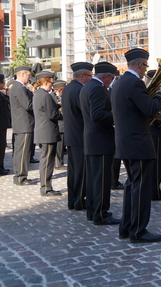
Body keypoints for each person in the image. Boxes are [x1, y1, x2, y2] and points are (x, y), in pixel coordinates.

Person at [112, 48, 161, 243]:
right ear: (140, 65)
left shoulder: (121, 83)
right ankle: (138, 230)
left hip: (127, 142)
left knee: (131, 185)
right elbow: (150, 107)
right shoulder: (134, 83)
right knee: (140, 188)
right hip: (137, 143)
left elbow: (136, 111)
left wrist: (152, 113)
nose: (146, 69)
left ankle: (127, 227)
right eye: (145, 65)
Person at [79, 62, 121, 225]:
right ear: (106, 77)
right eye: (111, 78)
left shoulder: (88, 86)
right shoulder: (97, 88)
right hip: (100, 140)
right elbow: (97, 114)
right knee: (101, 180)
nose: (111, 82)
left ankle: (93, 211)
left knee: (94, 180)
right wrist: (117, 115)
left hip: (93, 140)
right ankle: (101, 213)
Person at [61, 62, 93, 209]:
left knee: (74, 172)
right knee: (81, 172)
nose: (91, 78)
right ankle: (79, 201)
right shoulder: (80, 90)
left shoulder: (68, 88)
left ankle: (73, 201)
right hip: (80, 136)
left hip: (72, 135)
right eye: (89, 76)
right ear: (82, 76)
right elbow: (85, 113)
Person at [32, 71, 63, 196]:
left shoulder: (39, 94)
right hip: (47, 132)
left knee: (46, 160)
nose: (52, 85)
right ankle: (46, 188)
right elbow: (52, 115)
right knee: (47, 162)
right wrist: (62, 114)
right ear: (45, 82)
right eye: (51, 82)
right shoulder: (45, 95)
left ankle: (46, 186)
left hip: (43, 131)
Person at [11, 66, 38, 186]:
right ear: (22, 74)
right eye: (28, 75)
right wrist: (36, 98)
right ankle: (21, 177)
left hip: (22, 124)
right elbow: (28, 105)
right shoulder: (19, 88)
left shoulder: (17, 87)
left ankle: (19, 175)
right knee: (23, 152)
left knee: (20, 151)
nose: (30, 77)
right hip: (24, 124)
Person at [146, 69, 161, 202]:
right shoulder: (152, 94)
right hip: (155, 132)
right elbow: (154, 113)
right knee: (156, 166)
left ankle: (155, 190)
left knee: (156, 165)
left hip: (153, 133)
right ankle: (155, 191)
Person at [52, 80, 66, 169]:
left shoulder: (60, 97)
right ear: (59, 90)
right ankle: (58, 163)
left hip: (63, 123)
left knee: (61, 146)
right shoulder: (53, 97)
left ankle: (60, 161)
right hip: (59, 123)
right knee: (58, 146)